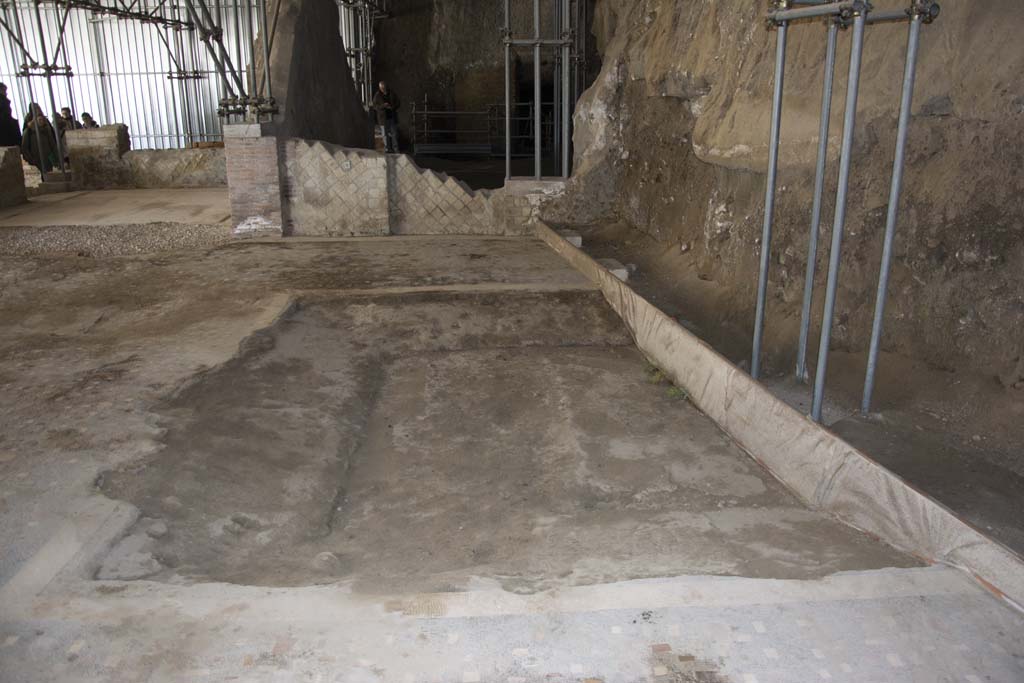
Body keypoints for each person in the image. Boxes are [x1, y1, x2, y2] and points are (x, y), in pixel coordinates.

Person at [21, 103, 57, 174]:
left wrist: (55, 155)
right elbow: (24, 146)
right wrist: (30, 158)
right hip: (36, 155)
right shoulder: (28, 128)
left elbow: (52, 140)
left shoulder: (46, 126)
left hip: (47, 154)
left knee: (48, 173)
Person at [372, 81, 400, 153]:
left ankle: (396, 150)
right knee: (385, 135)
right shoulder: (377, 95)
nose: (383, 89)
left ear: (386, 86)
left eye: (384, 87)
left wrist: (393, 107)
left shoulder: (392, 93)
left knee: (394, 134)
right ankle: (388, 150)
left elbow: (398, 102)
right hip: (383, 119)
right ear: (379, 88)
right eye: (381, 88)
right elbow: (375, 106)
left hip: (392, 117)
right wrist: (383, 106)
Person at [0, 83, 22, 148]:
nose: (6, 93)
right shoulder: (3, 101)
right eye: (4, 91)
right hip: (6, 133)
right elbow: (6, 117)